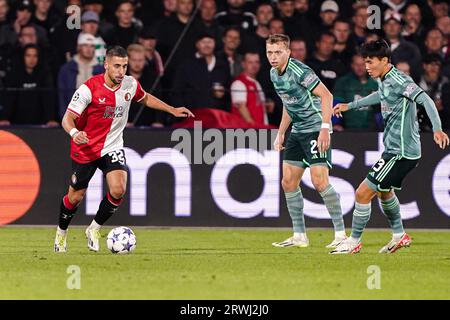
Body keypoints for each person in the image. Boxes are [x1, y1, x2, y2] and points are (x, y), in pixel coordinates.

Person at [54, 46, 194, 253]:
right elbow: (67, 118)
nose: (121, 71)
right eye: (117, 66)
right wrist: (75, 133)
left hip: (112, 146)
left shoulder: (130, 84)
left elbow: (145, 97)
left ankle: (94, 228)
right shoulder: (89, 88)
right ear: (106, 65)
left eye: (125, 66)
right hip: (85, 148)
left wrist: (171, 109)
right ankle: (61, 233)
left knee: (118, 189)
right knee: (75, 197)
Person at [332, 40, 449, 254]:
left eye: (370, 62)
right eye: (364, 62)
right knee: (385, 193)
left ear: (384, 60)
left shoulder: (400, 80)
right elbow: (381, 96)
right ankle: (399, 235)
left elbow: (426, 100)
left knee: (362, 193)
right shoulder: (383, 79)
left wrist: (437, 129)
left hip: (401, 152)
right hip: (394, 149)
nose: (366, 66)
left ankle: (354, 241)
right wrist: (351, 105)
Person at [267, 34, 346, 248]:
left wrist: (325, 128)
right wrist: (281, 132)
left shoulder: (301, 71)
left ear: (288, 52)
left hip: (315, 129)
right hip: (298, 131)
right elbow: (289, 104)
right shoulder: (274, 74)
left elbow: (327, 96)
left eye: (278, 52)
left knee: (320, 181)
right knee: (288, 182)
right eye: (270, 52)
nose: (273, 57)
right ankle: (299, 236)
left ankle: (341, 235)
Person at [231, 52, 271, 126]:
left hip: (261, 130)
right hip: (247, 132)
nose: (254, 65)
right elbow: (241, 108)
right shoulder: (239, 83)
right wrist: (255, 128)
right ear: (243, 64)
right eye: (250, 62)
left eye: (257, 62)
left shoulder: (257, 83)